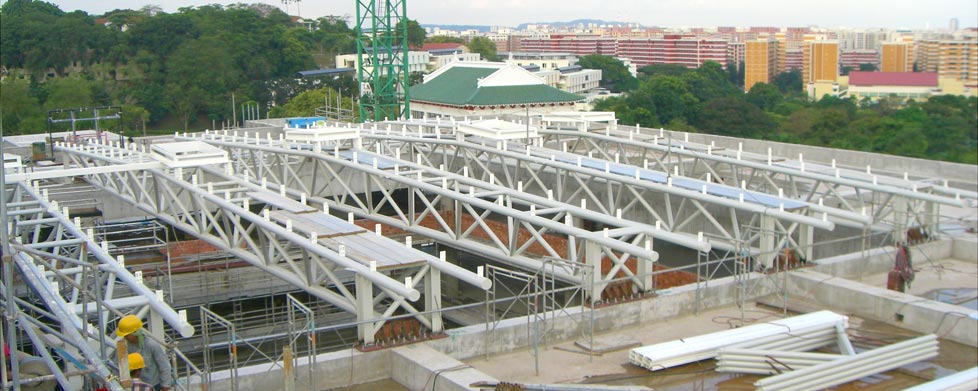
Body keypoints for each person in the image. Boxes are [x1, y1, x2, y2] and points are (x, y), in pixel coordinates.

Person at [117, 315, 172, 391]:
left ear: (135, 332)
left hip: (153, 385)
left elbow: (164, 365)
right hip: (133, 385)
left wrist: (165, 385)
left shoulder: (151, 345)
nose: (125, 337)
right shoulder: (125, 345)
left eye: (127, 335)